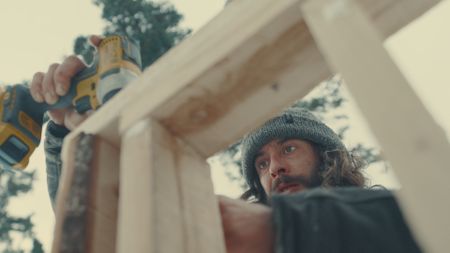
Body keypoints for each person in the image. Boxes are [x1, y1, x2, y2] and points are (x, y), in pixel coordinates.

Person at [31, 37, 421, 253]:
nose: (274, 169)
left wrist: (290, 229)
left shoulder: (405, 213)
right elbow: (109, 229)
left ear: (328, 154)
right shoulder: (225, 240)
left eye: (288, 149)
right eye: (261, 164)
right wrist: (74, 135)